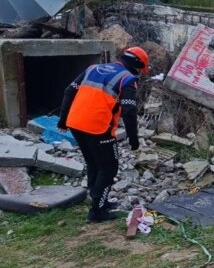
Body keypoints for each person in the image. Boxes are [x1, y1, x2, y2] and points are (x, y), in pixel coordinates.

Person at [58, 47, 150, 222]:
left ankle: (98, 200)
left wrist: (63, 120)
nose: (139, 73)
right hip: (98, 128)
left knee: (93, 163)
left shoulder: (92, 68)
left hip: (75, 123)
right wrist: (133, 139)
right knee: (108, 168)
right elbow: (129, 110)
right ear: (136, 65)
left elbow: (69, 90)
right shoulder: (127, 79)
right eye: (140, 70)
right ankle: (96, 212)